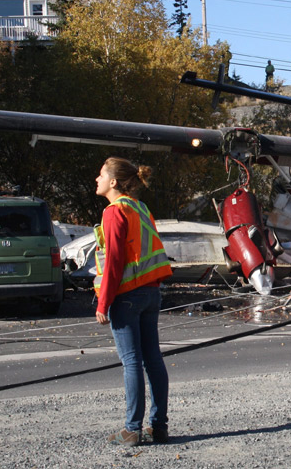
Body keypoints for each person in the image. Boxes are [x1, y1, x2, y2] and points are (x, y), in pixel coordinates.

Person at [94, 157, 174, 446]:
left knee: (131, 362)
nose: (97, 179)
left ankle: (131, 430)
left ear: (113, 182)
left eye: (101, 175)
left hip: (127, 295)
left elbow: (115, 260)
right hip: (151, 292)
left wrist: (103, 303)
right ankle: (159, 427)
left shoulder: (114, 212)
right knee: (152, 358)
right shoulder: (140, 208)